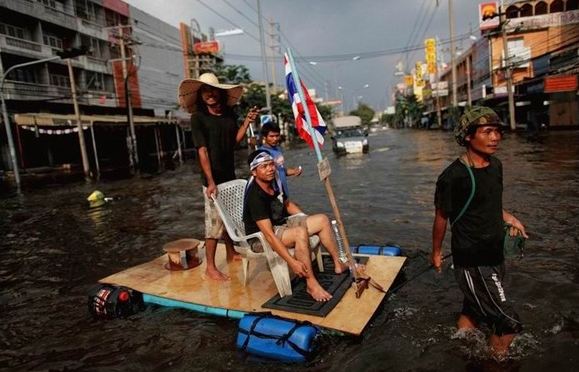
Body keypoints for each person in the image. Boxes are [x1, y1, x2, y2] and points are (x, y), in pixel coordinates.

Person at [431, 106, 528, 358]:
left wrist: (511, 218)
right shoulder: (453, 177)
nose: (495, 137)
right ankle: (496, 362)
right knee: (508, 323)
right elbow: (442, 217)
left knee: (473, 310)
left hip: (495, 253)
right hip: (473, 260)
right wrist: (437, 252)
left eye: (497, 131)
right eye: (487, 131)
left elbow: (489, 203)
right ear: (467, 136)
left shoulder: (496, 165)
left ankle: (461, 346)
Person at [178, 72, 260, 281]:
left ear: (219, 93)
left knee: (228, 217)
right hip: (211, 179)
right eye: (205, 91)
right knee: (213, 223)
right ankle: (211, 267)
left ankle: (232, 252)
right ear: (201, 95)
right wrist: (211, 181)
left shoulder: (229, 115)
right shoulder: (198, 118)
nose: (210, 94)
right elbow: (202, 151)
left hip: (228, 173)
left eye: (212, 90)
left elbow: (234, 141)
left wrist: (247, 122)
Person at [243, 150, 347, 301]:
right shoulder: (255, 196)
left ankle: (339, 263)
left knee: (322, 220)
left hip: (280, 223)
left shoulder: (274, 181)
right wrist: (292, 263)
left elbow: (287, 204)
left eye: (271, 164)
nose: (270, 169)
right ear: (254, 172)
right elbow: (269, 236)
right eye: (264, 166)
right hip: (259, 238)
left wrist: (305, 220)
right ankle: (311, 284)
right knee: (299, 233)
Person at [259, 123, 302, 197]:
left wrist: (294, 171)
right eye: (271, 136)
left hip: (283, 191)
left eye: (277, 136)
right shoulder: (262, 154)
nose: (275, 139)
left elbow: (280, 170)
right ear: (264, 137)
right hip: (274, 193)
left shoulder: (278, 149)